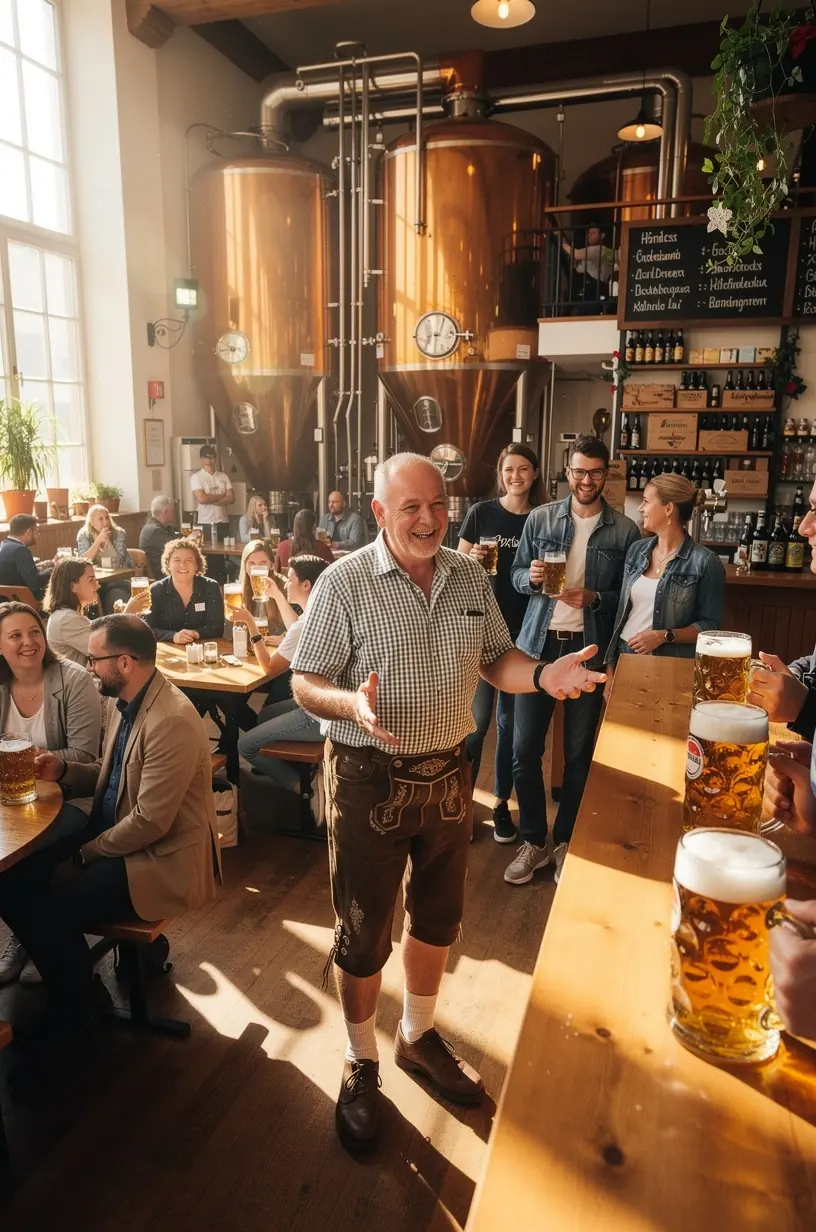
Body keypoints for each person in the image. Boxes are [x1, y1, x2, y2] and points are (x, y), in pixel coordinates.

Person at [290, 452, 605, 1154]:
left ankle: (417, 1035)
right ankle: (360, 1060)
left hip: (450, 773)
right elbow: (305, 681)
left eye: (438, 504)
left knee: (438, 919)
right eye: (411, 508)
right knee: (365, 928)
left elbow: (497, 657)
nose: (429, 519)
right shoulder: (343, 583)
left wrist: (544, 674)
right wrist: (349, 702)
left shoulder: (470, 575)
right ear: (380, 513)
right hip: (368, 776)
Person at [0, 614, 221, 1036]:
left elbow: (151, 823)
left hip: (159, 855)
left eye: (94, 658)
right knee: (13, 882)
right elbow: (113, 773)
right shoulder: (127, 700)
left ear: (123, 663)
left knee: (52, 902)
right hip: (118, 832)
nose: (87, 666)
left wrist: (83, 854)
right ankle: (81, 989)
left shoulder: (169, 718)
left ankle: (76, 1007)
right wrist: (63, 769)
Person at [509, 436, 639, 887]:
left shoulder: (624, 530)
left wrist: (596, 597)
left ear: (607, 474)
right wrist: (531, 576)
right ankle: (532, 840)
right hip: (538, 647)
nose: (587, 480)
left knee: (579, 754)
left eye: (596, 472)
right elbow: (516, 574)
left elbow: (629, 597)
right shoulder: (541, 518)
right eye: (579, 471)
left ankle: (564, 841)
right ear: (568, 472)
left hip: (588, 649)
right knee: (525, 750)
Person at [0, 602, 102, 992]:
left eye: (34, 632)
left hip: (70, 797)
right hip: (9, 802)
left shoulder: (73, 680)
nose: (29, 642)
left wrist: (30, 760)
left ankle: (45, 951)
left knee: (20, 869)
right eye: (15, 635)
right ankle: (34, 941)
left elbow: (85, 755)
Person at [457, 444, 544, 842]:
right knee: (474, 726)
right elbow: (455, 570)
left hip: (524, 634)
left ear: (535, 473)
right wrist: (472, 559)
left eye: (523, 469)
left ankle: (499, 804)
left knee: (509, 729)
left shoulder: (542, 519)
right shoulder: (481, 514)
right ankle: (459, 805)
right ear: (500, 472)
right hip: (480, 632)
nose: (516, 476)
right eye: (509, 469)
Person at [606, 474, 725, 668]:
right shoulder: (637, 551)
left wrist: (663, 636)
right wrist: (610, 668)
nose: (640, 508)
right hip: (625, 655)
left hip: (671, 664)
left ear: (668, 509)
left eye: (646, 501)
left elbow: (711, 626)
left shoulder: (705, 562)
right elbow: (622, 614)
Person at [237, 555, 332, 794]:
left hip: (318, 715)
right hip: (325, 701)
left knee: (245, 745)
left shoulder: (306, 624)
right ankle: (298, 766)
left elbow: (268, 667)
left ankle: (305, 789)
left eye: (289, 580)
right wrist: (278, 595)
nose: (285, 584)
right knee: (265, 714)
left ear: (306, 585)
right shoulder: (321, 611)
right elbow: (295, 626)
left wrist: (251, 626)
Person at [44, 558, 146, 665]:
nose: (97, 585)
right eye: (91, 579)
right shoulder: (65, 619)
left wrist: (120, 615)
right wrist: (126, 615)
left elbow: (100, 632)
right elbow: (107, 649)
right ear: (72, 586)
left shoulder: (68, 615)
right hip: (80, 681)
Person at [142, 538, 224, 645]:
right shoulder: (156, 590)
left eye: (189, 560)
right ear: (168, 564)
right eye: (177, 560)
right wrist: (173, 636)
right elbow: (146, 630)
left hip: (203, 649)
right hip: (167, 652)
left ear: (197, 565)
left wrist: (194, 634)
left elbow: (217, 627)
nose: (183, 565)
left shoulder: (210, 587)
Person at [76, 503, 134, 612]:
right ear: (91, 521)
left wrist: (108, 543)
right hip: (95, 582)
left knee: (115, 597)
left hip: (118, 581)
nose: (105, 522)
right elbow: (81, 563)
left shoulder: (119, 533)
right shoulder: (83, 535)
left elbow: (118, 563)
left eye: (107, 518)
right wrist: (97, 542)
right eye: (101, 519)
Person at [190, 445, 233, 582]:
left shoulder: (223, 476)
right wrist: (221, 496)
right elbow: (201, 499)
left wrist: (211, 498)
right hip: (205, 523)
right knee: (207, 559)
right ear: (202, 459)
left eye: (211, 456)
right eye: (206, 457)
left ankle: (221, 587)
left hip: (223, 521)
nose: (209, 459)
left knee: (221, 559)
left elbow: (231, 498)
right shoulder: (197, 477)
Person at [0, 513, 54, 600]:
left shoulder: (5, 544)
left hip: (5, 598)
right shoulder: (20, 550)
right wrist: (54, 569)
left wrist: (50, 563)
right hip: (19, 599)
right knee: (61, 592)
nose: (37, 535)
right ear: (29, 532)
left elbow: (25, 572)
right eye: (36, 530)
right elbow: (35, 582)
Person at [139, 495, 179, 580]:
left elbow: (176, 538)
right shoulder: (155, 530)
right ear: (165, 511)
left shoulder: (157, 526)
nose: (174, 513)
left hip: (167, 570)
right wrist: (190, 539)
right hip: (162, 576)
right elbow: (177, 548)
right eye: (173, 510)